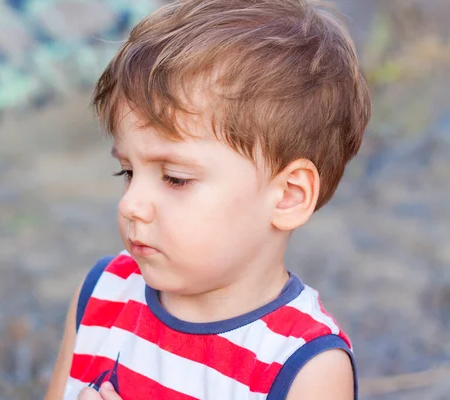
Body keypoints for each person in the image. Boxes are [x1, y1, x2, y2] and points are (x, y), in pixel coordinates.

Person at [46, 0, 371, 398]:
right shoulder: (102, 294)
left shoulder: (304, 368)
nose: (130, 204)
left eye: (175, 179)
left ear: (287, 196)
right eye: (128, 172)